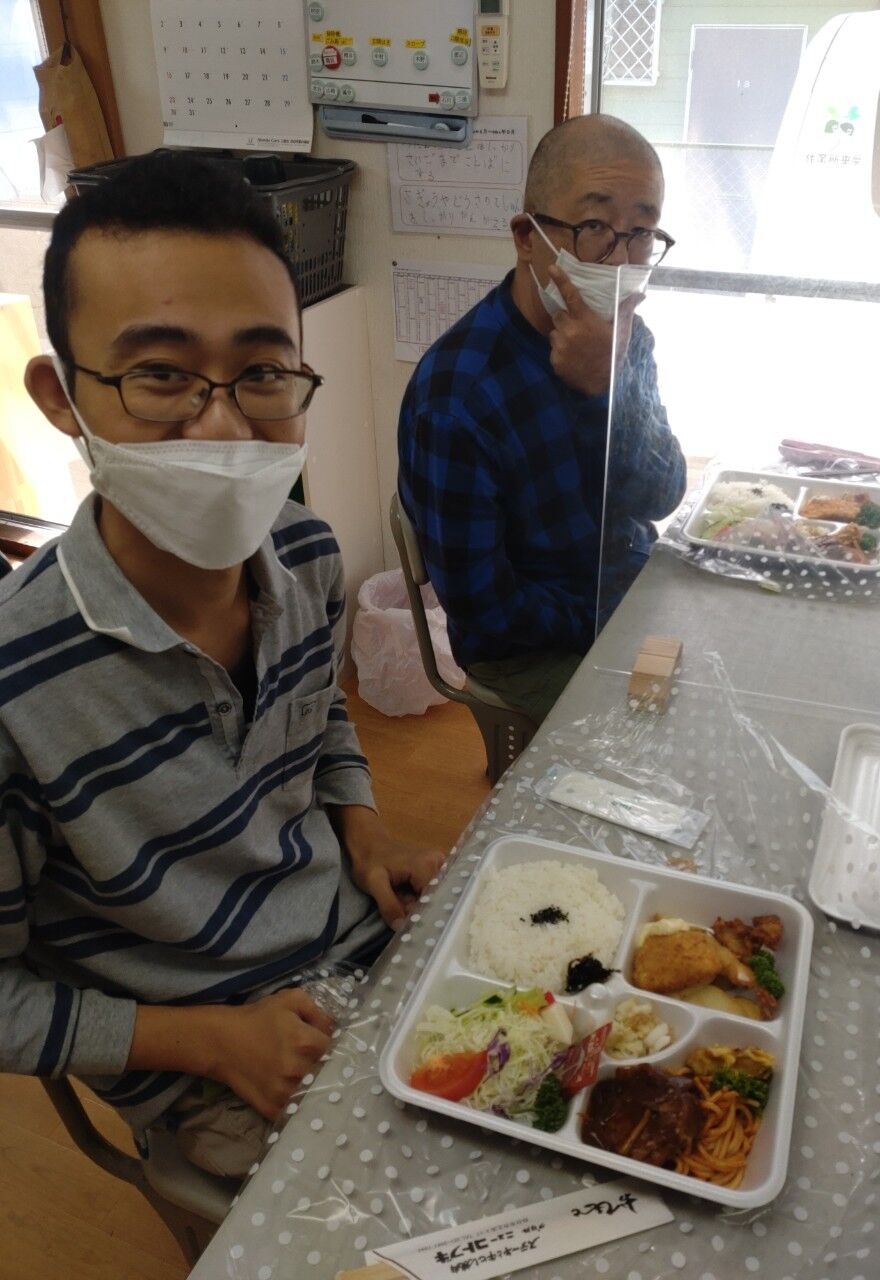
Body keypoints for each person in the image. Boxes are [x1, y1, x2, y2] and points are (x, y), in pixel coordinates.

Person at [0, 151, 443, 1179]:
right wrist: (208, 1041)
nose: (223, 423)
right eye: (160, 374)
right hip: (203, 1058)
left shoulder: (308, 555)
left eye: (263, 372)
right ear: (62, 396)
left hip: (354, 944)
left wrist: (364, 829)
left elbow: (319, 717)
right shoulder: (18, 687)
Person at [398, 115, 687, 724]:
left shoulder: (627, 339)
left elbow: (661, 495)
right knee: (667, 740)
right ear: (527, 237)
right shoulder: (456, 397)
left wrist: (606, 388)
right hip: (532, 650)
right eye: (594, 227)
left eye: (641, 232)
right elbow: (488, 615)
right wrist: (612, 619)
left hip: (624, 593)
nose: (620, 258)